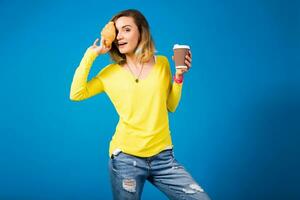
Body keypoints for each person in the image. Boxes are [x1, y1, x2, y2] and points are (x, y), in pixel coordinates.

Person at [70, 9, 211, 200]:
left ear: (141, 32)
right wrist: (92, 54)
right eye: (117, 31)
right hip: (126, 159)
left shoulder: (161, 63)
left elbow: (170, 105)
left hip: (163, 157)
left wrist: (178, 77)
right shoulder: (109, 74)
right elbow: (76, 93)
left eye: (126, 29)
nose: (119, 36)